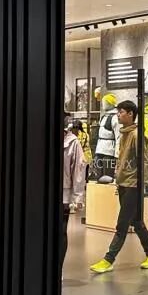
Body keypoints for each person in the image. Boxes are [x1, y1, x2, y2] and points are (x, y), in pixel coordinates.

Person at [89, 101, 148, 273]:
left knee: (122, 224)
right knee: (136, 221)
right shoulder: (124, 134)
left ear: (130, 114)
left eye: (121, 112)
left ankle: (109, 259)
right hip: (123, 183)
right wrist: (118, 180)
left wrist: (142, 185)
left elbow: (144, 162)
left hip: (133, 186)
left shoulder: (136, 135)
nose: (118, 115)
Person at [62, 113, 85, 270]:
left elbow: (78, 170)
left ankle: (58, 269)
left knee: (61, 232)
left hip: (64, 195)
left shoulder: (72, 142)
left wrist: (77, 198)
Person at [92, 93, 120, 179]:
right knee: (98, 174)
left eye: (105, 102)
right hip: (100, 149)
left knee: (107, 175)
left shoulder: (115, 118)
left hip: (109, 151)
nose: (103, 105)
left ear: (111, 104)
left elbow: (118, 137)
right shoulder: (103, 117)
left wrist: (117, 154)